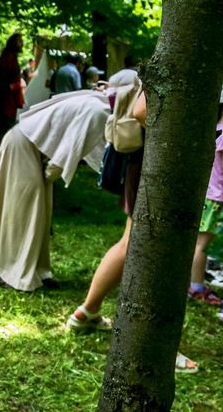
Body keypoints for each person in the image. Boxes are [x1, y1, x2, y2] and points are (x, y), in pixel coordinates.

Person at [62, 71, 198, 373]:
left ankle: (87, 313)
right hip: (157, 167)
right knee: (157, 252)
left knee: (131, 243)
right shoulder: (190, 57)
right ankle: (159, 347)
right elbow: (140, 110)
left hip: (157, 165)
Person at [0, 90, 111, 291]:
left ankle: (37, 269)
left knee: (39, 212)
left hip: (31, 147)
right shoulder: (98, 110)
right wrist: (50, 174)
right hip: (24, 144)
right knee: (24, 210)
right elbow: (72, 147)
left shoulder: (99, 105)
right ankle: (7, 270)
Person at [188, 93, 223, 308]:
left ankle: (194, 282)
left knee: (202, 242)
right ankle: (196, 286)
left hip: (210, 194)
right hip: (217, 198)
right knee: (203, 244)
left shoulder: (215, 126)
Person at [0, 33, 24, 153]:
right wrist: (13, 86)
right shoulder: (7, 56)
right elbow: (4, 78)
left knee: (2, 124)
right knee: (4, 124)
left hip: (9, 96)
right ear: (14, 43)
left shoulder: (11, 56)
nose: (22, 43)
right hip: (6, 97)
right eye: (19, 41)